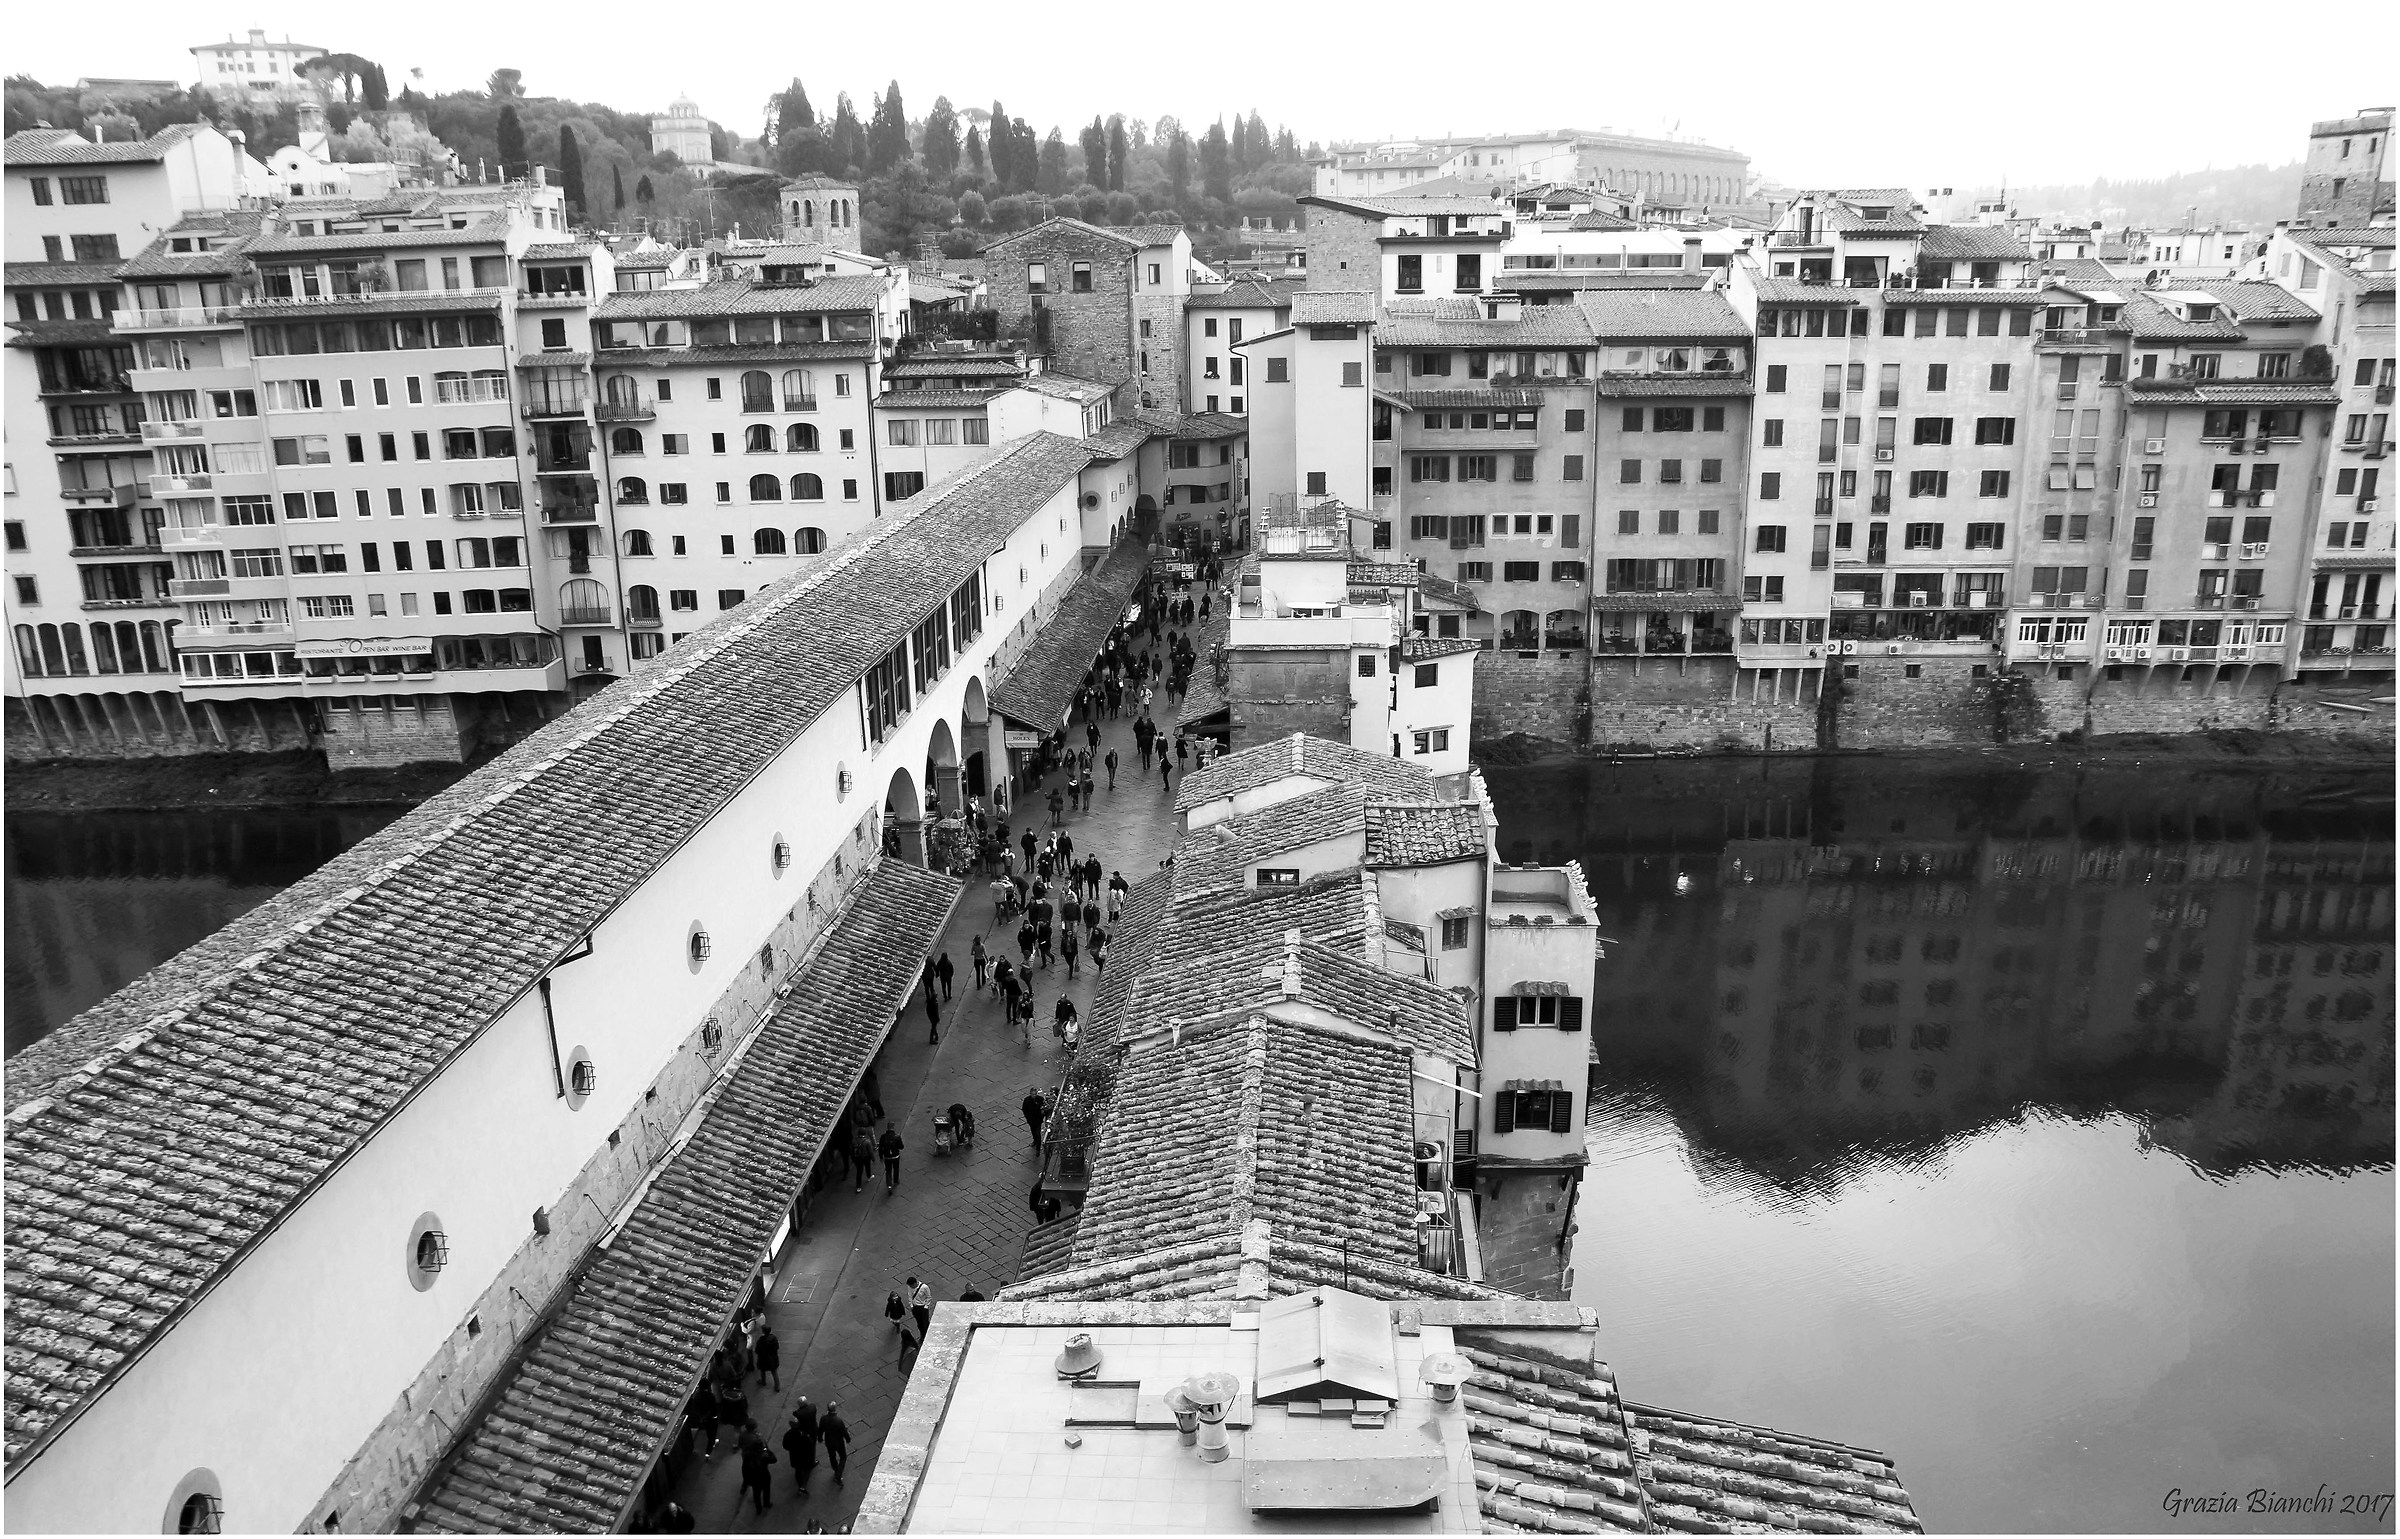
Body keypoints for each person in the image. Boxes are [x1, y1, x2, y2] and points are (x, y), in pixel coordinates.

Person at [738, 1423, 776, 1514]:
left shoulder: (748, 1457)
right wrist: (768, 1451)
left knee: (756, 1494)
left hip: (754, 1479)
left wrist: (747, 1480)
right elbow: (774, 1459)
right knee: (766, 1491)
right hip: (764, 1477)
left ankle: (758, 1509)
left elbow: (744, 1469)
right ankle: (766, 1503)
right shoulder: (764, 1457)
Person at [783, 1401, 819, 1495]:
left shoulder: (788, 1435)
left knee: (798, 1471)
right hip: (805, 1455)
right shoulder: (803, 1435)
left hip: (795, 1456)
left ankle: (800, 1485)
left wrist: (792, 1449)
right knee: (807, 1469)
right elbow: (810, 1443)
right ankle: (803, 1485)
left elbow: (785, 1446)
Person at [819, 1404, 852, 1484]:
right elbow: (844, 1431)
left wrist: (820, 1438)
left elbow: (820, 1430)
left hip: (828, 1441)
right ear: (835, 1409)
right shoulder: (838, 1421)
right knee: (843, 1457)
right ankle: (838, 1475)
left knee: (832, 1456)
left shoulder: (823, 1418)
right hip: (838, 1442)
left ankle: (836, 1470)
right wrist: (848, 1439)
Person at [688, 1381, 721, 1457]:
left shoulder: (696, 1396)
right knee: (712, 1432)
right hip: (711, 1417)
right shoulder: (710, 1396)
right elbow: (713, 1408)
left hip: (702, 1418)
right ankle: (708, 1452)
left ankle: (713, 1441)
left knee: (709, 1431)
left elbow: (694, 1408)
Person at [878, 1121, 905, 1192]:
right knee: (896, 1168)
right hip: (895, 1156)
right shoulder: (897, 1136)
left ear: (887, 1127)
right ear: (893, 1127)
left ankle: (889, 1185)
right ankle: (895, 1181)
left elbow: (880, 1148)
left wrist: (881, 1156)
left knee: (888, 1171)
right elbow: (901, 1147)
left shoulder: (883, 1137)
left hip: (887, 1157)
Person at [850, 1121, 875, 1194]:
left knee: (859, 1171)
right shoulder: (867, 1141)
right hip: (866, 1157)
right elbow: (870, 1151)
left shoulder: (854, 1141)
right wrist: (873, 1158)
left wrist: (853, 1158)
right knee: (867, 1167)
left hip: (857, 1158)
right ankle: (869, 1176)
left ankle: (858, 1186)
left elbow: (851, 1150)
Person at [755, 1324, 782, 1391]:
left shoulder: (761, 1340)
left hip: (763, 1359)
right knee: (774, 1372)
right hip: (773, 1358)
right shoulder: (774, 1338)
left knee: (762, 1371)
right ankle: (777, 1386)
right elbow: (777, 1347)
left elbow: (757, 1350)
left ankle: (763, 1381)